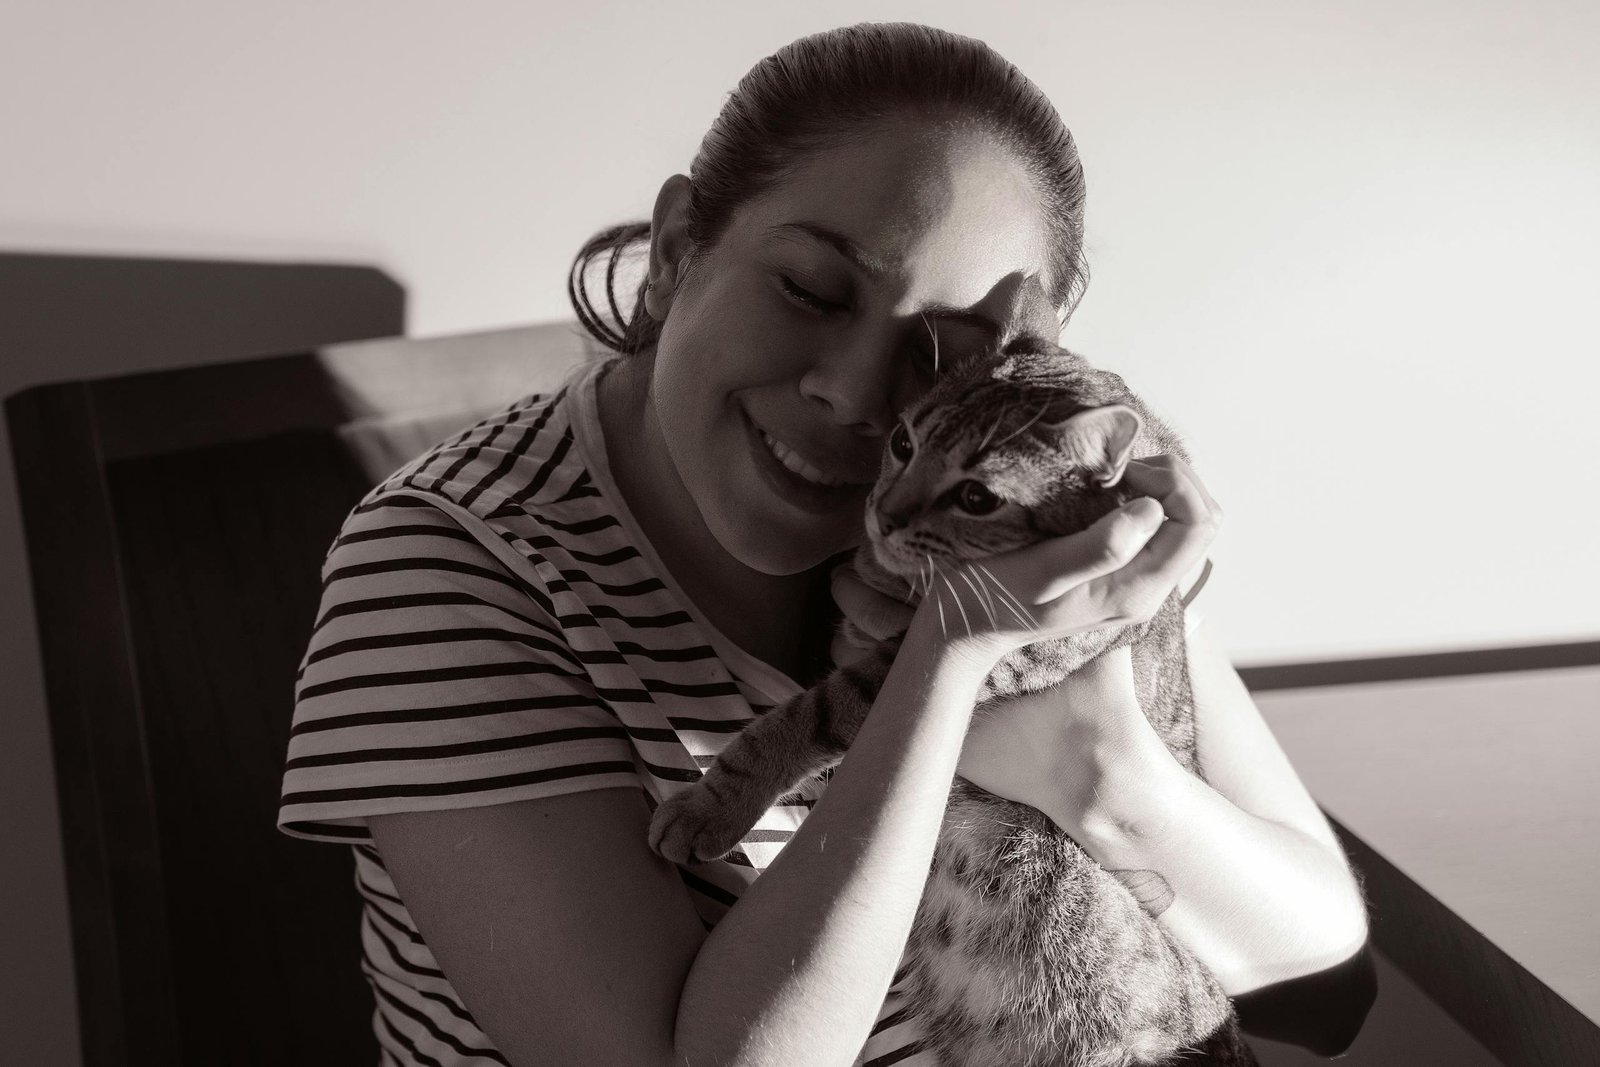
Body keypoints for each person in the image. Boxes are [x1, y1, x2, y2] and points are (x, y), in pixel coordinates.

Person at [278, 22, 1375, 1066]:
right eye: (809, 288)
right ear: (674, 249)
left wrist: (1099, 764)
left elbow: (1316, 976)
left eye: (936, 349)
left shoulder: (1025, 511)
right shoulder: (439, 571)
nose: (854, 396)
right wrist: (945, 667)